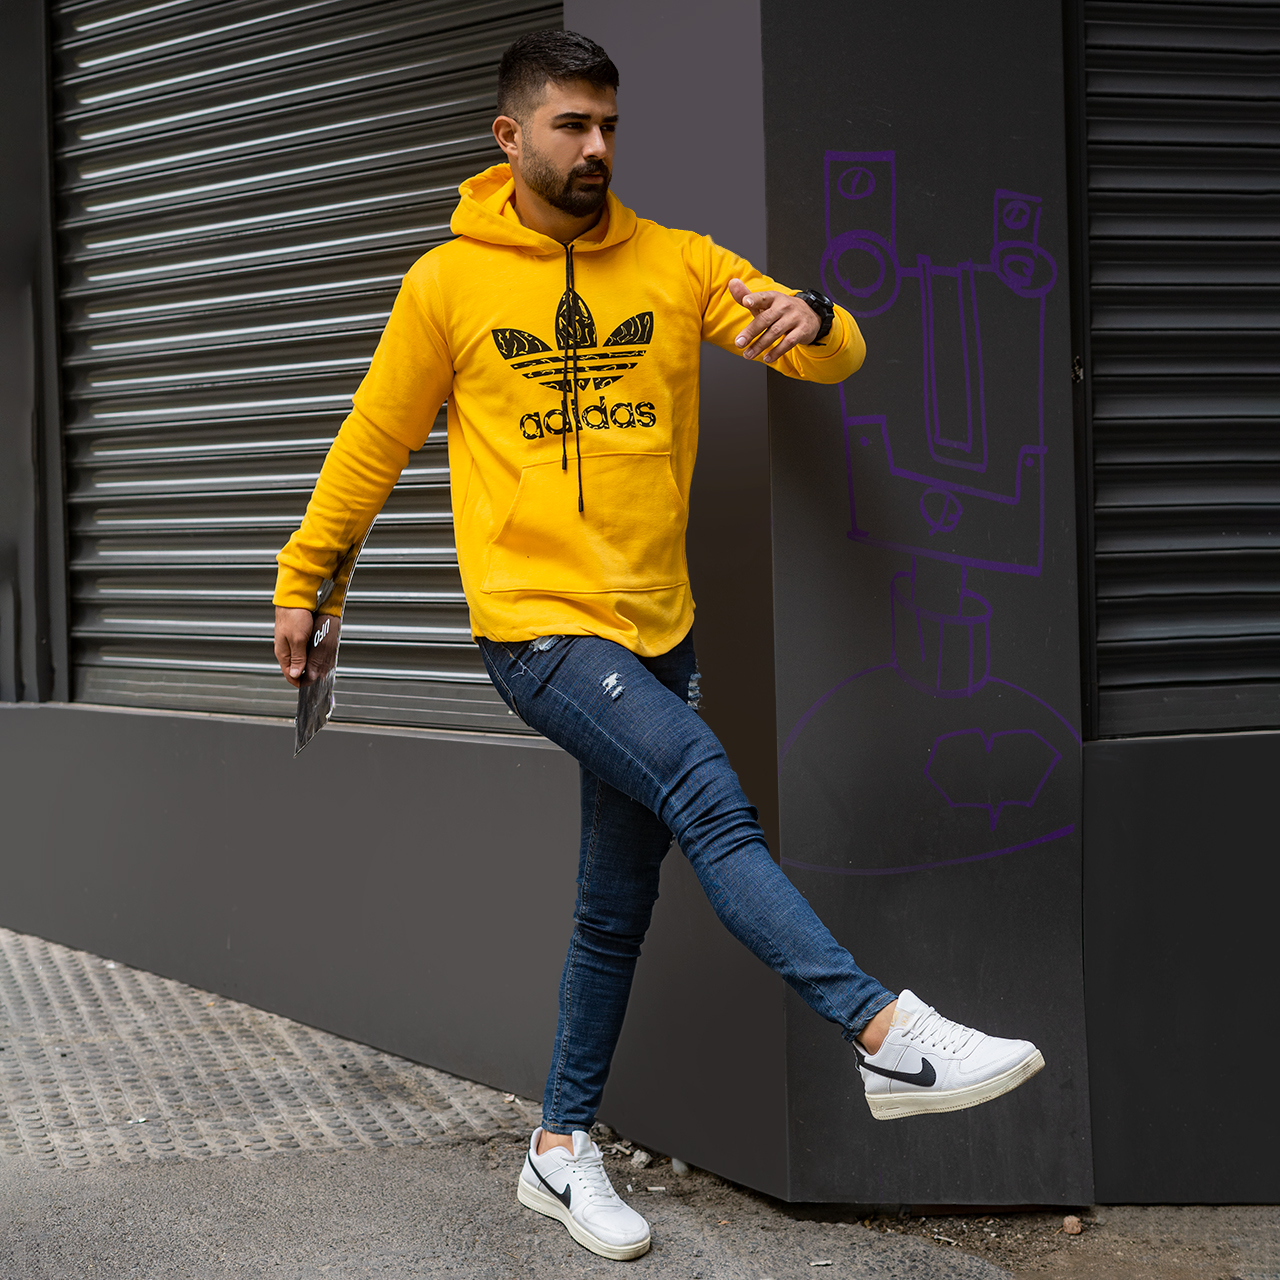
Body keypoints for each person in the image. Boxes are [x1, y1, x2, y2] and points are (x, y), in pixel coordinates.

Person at [273, 29, 1045, 1263]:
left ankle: (558, 1144)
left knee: (611, 907)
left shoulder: (676, 263)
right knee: (705, 788)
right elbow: (375, 440)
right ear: (508, 137)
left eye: (609, 127)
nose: (595, 148)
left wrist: (815, 314)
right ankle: (882, 1033)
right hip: (535, 625)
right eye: (571, 125)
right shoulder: (447, 284)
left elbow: (828, 353)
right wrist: (304, 578)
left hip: (657, 628)